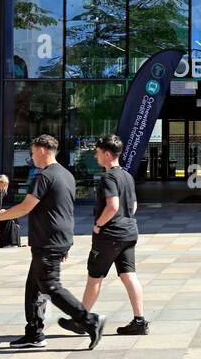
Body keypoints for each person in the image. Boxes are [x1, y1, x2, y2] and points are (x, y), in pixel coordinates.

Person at [0, 133, 104, 350]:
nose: (31, 158)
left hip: (47, 240)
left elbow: (25, 207)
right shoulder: (66, 175)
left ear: (41, 150)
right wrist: (66, 242)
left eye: (32, 153)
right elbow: (63, 209)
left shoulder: (44, 176)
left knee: (50, 286)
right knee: (34, 286)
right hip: (56, 237)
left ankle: (89, 320)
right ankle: (34, 333)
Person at [58, 133, 149, 337]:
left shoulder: (108, 177)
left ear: (107, 154)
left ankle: (82, 321)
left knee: (95, 276)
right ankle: (139, 320)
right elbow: (133, 205)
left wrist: (99, 225)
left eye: (98, 153)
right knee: (129, 275)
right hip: (129, 231)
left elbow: (113, 206)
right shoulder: (127, 176)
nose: (96, 156)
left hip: (110, 235)